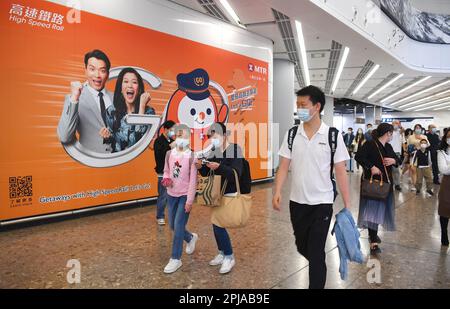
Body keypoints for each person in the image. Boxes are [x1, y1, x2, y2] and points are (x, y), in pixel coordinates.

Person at [273, 85, 351, 289]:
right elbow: (283, 167)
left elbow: (341, 171)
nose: (299, 109)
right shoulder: (292, 134)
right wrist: (278, 191)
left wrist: (347, 204)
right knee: (301, 246)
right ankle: (319, 263)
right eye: (297, 105)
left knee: (316, 252)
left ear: (317, 106)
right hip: (297, 202)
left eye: (303, 105)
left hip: (322, 203)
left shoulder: (332, 135)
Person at [196, 122, 244, 274]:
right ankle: (222, 253)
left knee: (218, 225)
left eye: (215, 136)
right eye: (211, 136)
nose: (212, 139)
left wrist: (219, 167)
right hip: (215, 192)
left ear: (224, 135)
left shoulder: (235, 149)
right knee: (215, 224)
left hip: (229, 192)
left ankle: (229, 256)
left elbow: (236, 172)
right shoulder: (214, 150)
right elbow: (206, 172)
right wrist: (200, 166)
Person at [58, 49, 114, 153]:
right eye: (92, 69)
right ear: (85, 70)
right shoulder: (74, 98)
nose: (97, 75)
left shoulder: (116, 98)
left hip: (118, 161)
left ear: (107, 74)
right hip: (89, 162)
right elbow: (65, 137)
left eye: (102, 70)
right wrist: (74, 98)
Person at [355, 123, 399, 255]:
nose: (392, 136)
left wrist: (394, 161)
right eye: (392, 133)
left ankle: (373, 235)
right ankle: (373, 241)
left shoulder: (389, 146)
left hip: (386, 184)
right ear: (388, 133)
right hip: (373, 184)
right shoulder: (370, 144)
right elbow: (358, 157)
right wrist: (371, 166)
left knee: (381, 211)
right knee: (373, 212)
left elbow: (399, 160)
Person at [161, 124, 198, 274]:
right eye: (178, 135)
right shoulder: (169, 154)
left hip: (184, 196)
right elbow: (166, 170)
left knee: (177, 226)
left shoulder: (192, 156)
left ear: (189, 138)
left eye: (184, 136)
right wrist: (166, 179)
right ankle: (190, 238)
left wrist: (189, 201)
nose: (181, 138)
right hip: (171, 195)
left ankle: (176, 258)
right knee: (172, 226)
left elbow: (193, 180)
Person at [105, 67, 155, 152]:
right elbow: (110, 145)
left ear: (139, 89)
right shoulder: (111, 111)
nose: (130, 85)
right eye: (126, 81)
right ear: (121, 88)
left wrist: (142, 107)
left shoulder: (149, 113)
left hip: (139, 161)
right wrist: (106, 136)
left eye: (134, 82)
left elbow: (140, 142)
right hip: (118, 162)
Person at [153, 120, 176, 225]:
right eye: (172, 130)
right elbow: (160, 155)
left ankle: (173, 215)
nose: (173, 132)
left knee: (173, 196)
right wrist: (170, 147)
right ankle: (160, 216)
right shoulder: (158, 141)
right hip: (163, 173)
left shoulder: (172, 140)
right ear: (166, 129)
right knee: (163, 195)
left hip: (173, 173)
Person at [407, 124, 430, 191]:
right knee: (413, 170)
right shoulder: (411, 137)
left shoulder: (424, 136)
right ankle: (415, 185)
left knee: (419, 171)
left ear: (421, 129)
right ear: (414, 129)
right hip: (413, 155)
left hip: (421, 155)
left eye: (419, 128)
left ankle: (419, 184)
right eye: (416, 128)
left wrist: (421, 139)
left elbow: (428, 144)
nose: (418, 129)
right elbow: (408, 145)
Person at [437, 128, 450, 246]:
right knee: (445, 208)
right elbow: (443, 169)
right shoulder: (441, 152)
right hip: (447, 183)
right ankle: (444, 234)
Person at [391, 120, 404, 192]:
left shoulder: (399, 131)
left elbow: (403, 130)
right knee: (389, 169)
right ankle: (389, 183)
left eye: (397, 123)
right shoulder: (389, 132)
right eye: (395, 123)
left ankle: (397, 184)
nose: (396, 124)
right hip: (389, 152)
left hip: (397, 153)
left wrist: (400, 126)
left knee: (396, 170)